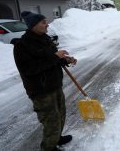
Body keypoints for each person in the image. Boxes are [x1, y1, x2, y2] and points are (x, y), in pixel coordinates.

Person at [13, 11, 77, 151]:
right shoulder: (22, 46)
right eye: (43, 22)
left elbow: (52, 60)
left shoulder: (45, 39)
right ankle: (48, 147)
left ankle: (57, 138)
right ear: (33, 26)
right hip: (41, 91)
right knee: (50, 121)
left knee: (60, 115)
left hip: (55, 85)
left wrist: (65, 60)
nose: (47, 25)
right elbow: (29, 69)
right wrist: (55, 56)